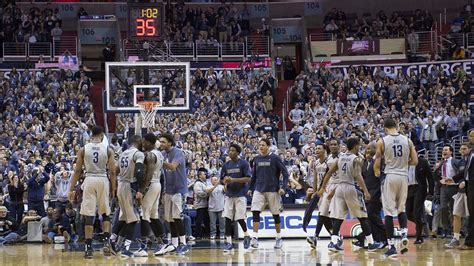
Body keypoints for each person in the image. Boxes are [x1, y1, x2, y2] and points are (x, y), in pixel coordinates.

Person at [318, 137, 379, 252]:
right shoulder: (356, 159)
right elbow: (358, 176)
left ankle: (333, 242)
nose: (360, 147)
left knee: (338, 218)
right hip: (350, 187)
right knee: (362, 217)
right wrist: (366, 191)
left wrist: (323, 187)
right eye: (359, 145)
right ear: (356, 146)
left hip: (339, 188)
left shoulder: (341, 157)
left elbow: (329, 172)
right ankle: (371, 243)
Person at [68, 126, 117, 259]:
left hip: (89, 179)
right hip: (102, 179)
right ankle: (107, 241)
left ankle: (88, 248)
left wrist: (71, 189)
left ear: (91, 135)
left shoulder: (84, 149)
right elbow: (112, 171)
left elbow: (77, 171)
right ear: (101, 136)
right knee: (105, 212)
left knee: (88, 215)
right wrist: (114, 188)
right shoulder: (108, 149)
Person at [374, 118, 418, 258]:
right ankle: (404, 234)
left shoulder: (382, 141)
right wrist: (404, 164)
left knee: (388, 212)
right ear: (397, 126)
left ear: (385, 128)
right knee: (401, 208)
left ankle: (391, 246)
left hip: (390, 175)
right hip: (404, 176)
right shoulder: (407, 140)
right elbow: (415, 161)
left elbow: (377, 164)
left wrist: (378, 175)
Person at [248, 138, 289, 249]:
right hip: (259, 189)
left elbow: (285, 173)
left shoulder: (275, 158)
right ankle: (255, 238)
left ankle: (279, 238)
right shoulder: (256, 159)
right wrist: (251, 188)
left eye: (263, 145)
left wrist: (283, 187)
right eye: (259, 145)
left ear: (268, 146)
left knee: (275, 214)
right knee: (255, 212)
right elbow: (254, 175)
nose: (260, 147)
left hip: (273, 189)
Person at [155, 133, 190, 255]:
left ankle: (184, 243)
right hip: (168, 189)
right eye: (160, 141)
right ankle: (174, 244)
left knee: (177, 217)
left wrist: (159, 159)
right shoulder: (163, 154)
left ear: (170, 142)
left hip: (179, 190)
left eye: (163, 141)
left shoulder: (178, 152)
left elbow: (173, 167)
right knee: (169, 218)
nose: (161, 143)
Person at [111, 135, 145, 258]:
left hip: (121, 184)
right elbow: (139, 171)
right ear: (139, 142)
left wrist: (113, 188)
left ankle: (111, 240)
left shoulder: (123, 153)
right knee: (133, 219)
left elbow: (115, 171)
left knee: (124, 218)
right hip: (130, 186)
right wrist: (140, 189)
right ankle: (126, 248)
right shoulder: (138, 154)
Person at [353, 142, 387, 248]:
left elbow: (382, 177)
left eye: (369, 149)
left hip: (376, 192)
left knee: (370, 215)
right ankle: (373, 239)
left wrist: (382, 193)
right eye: (366, 149)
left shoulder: (379, 160)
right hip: (367, 193)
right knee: (369, 217)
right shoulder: (364, 163)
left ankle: (386, 236)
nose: (367, 151)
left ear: (375, 149)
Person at [308, 140, 340, 248]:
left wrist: (323, 188)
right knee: (324, 216)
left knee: (324, 213)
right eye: (316, 148)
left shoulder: (329, 161)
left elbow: (330, 176)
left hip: (329, 188)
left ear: (325, 150)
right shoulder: (316, 162)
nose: (316, 150)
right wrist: (315, 190)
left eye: (319, 148)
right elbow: (316, 178)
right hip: (321, 191)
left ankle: (316, 236)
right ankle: (335, 236)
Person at [220, 143, 252, 252]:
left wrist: (233, 180)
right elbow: (221, 179)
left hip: (241, 194)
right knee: (227, 218)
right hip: (229, 194)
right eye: (229, 150)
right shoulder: (226, 165)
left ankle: (246, 235)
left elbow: (248, 178)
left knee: (240, 218)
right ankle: (228, 243)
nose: (230, 152)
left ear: (238, 153)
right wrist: (224, 181)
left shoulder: (244, 163)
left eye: (233, 150)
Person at [138, 133, 165, 255]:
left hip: (151, 184)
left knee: (144, 214)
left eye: (145, 142)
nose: (143, 144)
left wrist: (143, 188)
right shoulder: (159, 153)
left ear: (150, 142)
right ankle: (163, 243)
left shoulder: (151, 155)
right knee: (154, 215)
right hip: (156, 184)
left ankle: (143, 247)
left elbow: (149, 174)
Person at [445, 142, 471, 248]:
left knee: (470, 217)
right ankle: (455, 238)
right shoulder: (461, 162)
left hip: (470, 191)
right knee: (456, 214)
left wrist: (466, 182)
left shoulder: (471, 160)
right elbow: (462, 174)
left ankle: (470, 239)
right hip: (461, 192)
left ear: (470, 150)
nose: (462, 151)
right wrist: (453, 179)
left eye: (464, 149)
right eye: (461, 149)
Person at [433, 145, 460, 237]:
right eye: (443, 150)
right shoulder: (440, 163)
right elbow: (435, 175)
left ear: (451, 152)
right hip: (443, 187)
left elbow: (461, 174)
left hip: (453, 187)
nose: (443, 151)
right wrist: (439, 178)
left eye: (446, 150)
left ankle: (456, 230)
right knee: (443, 208)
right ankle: (446, 229)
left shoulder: (456, 161)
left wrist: (453, 180)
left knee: (454, 210)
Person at [406, 154, 433, 244]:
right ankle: (420, 223)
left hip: (419, 188)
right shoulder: (404, 162)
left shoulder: (423, 162)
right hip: (408, 189)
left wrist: (431, 193)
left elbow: (430, 177)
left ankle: (419, 236)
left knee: (416, 212)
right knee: (407, 213)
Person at [456, 130, 474, 250]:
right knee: (472, 215)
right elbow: (466, 171)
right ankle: (470, 242)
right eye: (470, 135)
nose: (470, 137)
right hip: (470, 186)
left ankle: (469, 243)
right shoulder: (471, 152)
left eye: (472, 135)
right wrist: (452, 178)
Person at [193, 168, 211, 239]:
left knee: (206, 220)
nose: (205, 175)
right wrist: (208, 194)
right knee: (199, 221)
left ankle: (207, 234)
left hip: (205, 205)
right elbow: (199, 193)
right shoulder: (197, 183)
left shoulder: (204, 183)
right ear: (200, 176)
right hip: (200, 205)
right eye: (204, 174)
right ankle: (198, 234)